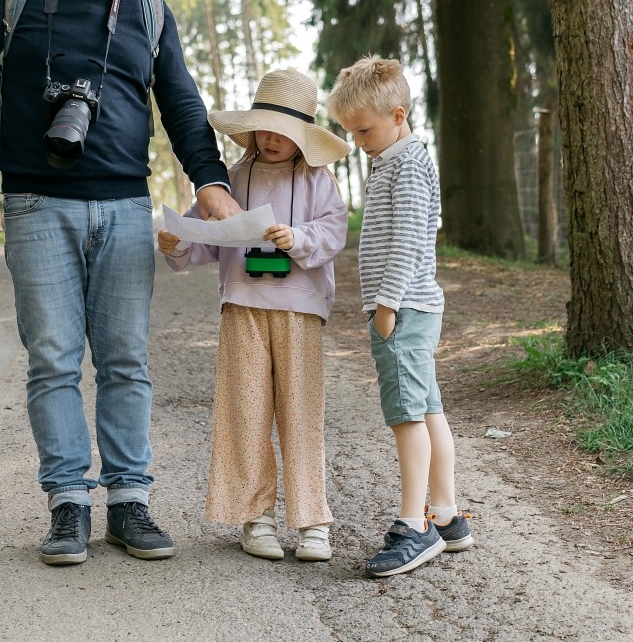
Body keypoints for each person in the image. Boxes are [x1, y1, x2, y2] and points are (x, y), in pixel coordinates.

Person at [0, 0, 241, 567]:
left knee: (126, 360)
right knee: (52, 359)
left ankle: (129, 501)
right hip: (34, 202)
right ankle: (67, 506)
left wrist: (210, 181)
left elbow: (181, 104)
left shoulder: (147, 10)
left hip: (124, 205)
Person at [157, 69, 351, 562]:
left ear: (302, 136)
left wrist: (300, 238)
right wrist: (177, 242)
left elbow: (333, 231)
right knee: (245, 413)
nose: (270, 138)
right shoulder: (230, 179)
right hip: (242, 306)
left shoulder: (318, 180)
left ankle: (312, 521)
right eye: (261, 128)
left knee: (301, 413)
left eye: (281, 131)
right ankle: (254, 516)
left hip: (299, 312)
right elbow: (201, 239)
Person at [326, 56, 474, 577]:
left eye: (364, 129)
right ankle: (449, 515)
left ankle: (415, 525)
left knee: (407, 415)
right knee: (428, 407)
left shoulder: (407, 163)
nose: (359, 141)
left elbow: (413, 239)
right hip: (408, 306)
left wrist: (386, 303)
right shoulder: (393, 158)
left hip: (404, 307)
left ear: (398, 113)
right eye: (352, 131)